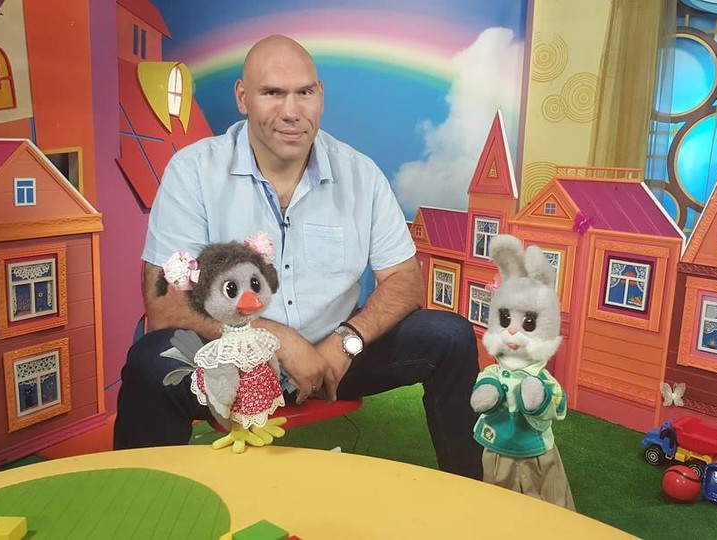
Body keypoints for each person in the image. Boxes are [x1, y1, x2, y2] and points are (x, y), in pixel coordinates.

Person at [113, 35, 483, 480]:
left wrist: (347, 341)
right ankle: (139, 498)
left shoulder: (361, 174)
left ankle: (474, 489)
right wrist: (280, 342)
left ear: (320, 95)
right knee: (152, 362)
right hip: (230, 359)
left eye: (304, 92)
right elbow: (166, 304)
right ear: (243, 97)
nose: (291, 111)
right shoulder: (193, 171)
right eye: (272, 93)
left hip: (334, 356)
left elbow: (405, 279)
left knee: (450, 337)